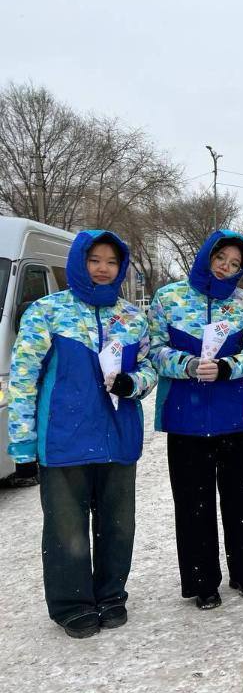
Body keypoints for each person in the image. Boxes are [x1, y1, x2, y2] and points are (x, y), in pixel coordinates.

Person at [7, 230, 157, 638]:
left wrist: (132, 383)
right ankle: (72, 603)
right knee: (67, 529)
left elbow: (148, 369)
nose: (103, 269)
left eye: (111, 262)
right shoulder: (47, 311)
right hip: (64, 440)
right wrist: (22, 443)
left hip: (118, 437)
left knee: (118, 526)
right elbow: (23, 380)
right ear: (78, 262)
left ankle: (111, 595)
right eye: (94, 260)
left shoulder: (132, 317)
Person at [149, 230, 243, 610]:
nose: (225, 268)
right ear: (206, 256)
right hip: (185, 417)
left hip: (233, 415)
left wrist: (228, 367)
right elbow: (154, 350)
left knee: (239, 499)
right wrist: (186, 364)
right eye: (221, 259)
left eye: (234, 264)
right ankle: (202, 581)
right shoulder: (168, 298)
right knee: (193, 503)